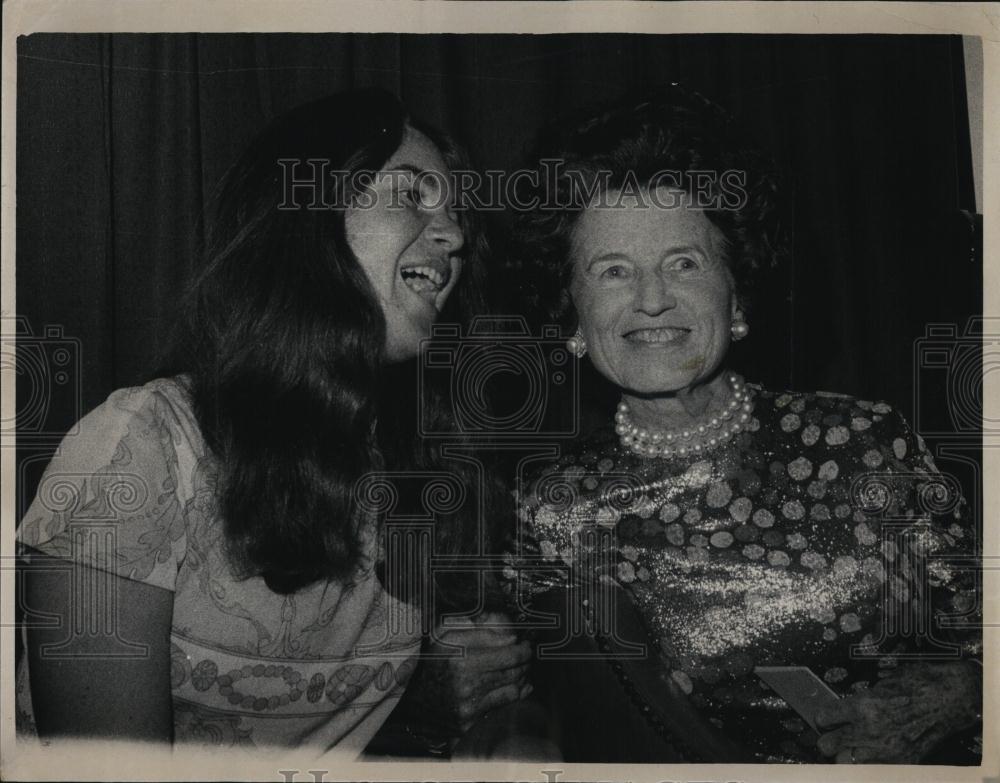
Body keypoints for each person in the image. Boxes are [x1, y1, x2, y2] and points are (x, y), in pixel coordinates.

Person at [16, 88, 529, 755]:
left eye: (455, 211)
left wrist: (428, 695)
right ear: (308, 214)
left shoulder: (415, 462)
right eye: (412, 192)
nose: (455, 236)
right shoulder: (143, 445)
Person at [503, 87, 982, 763]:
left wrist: (959, 692)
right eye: (613, 271)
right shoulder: (552, 505)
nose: (651, 298)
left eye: (684, 263)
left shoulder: (865, 441)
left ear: (736, 298)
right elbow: (535, 709)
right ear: (573, 320)